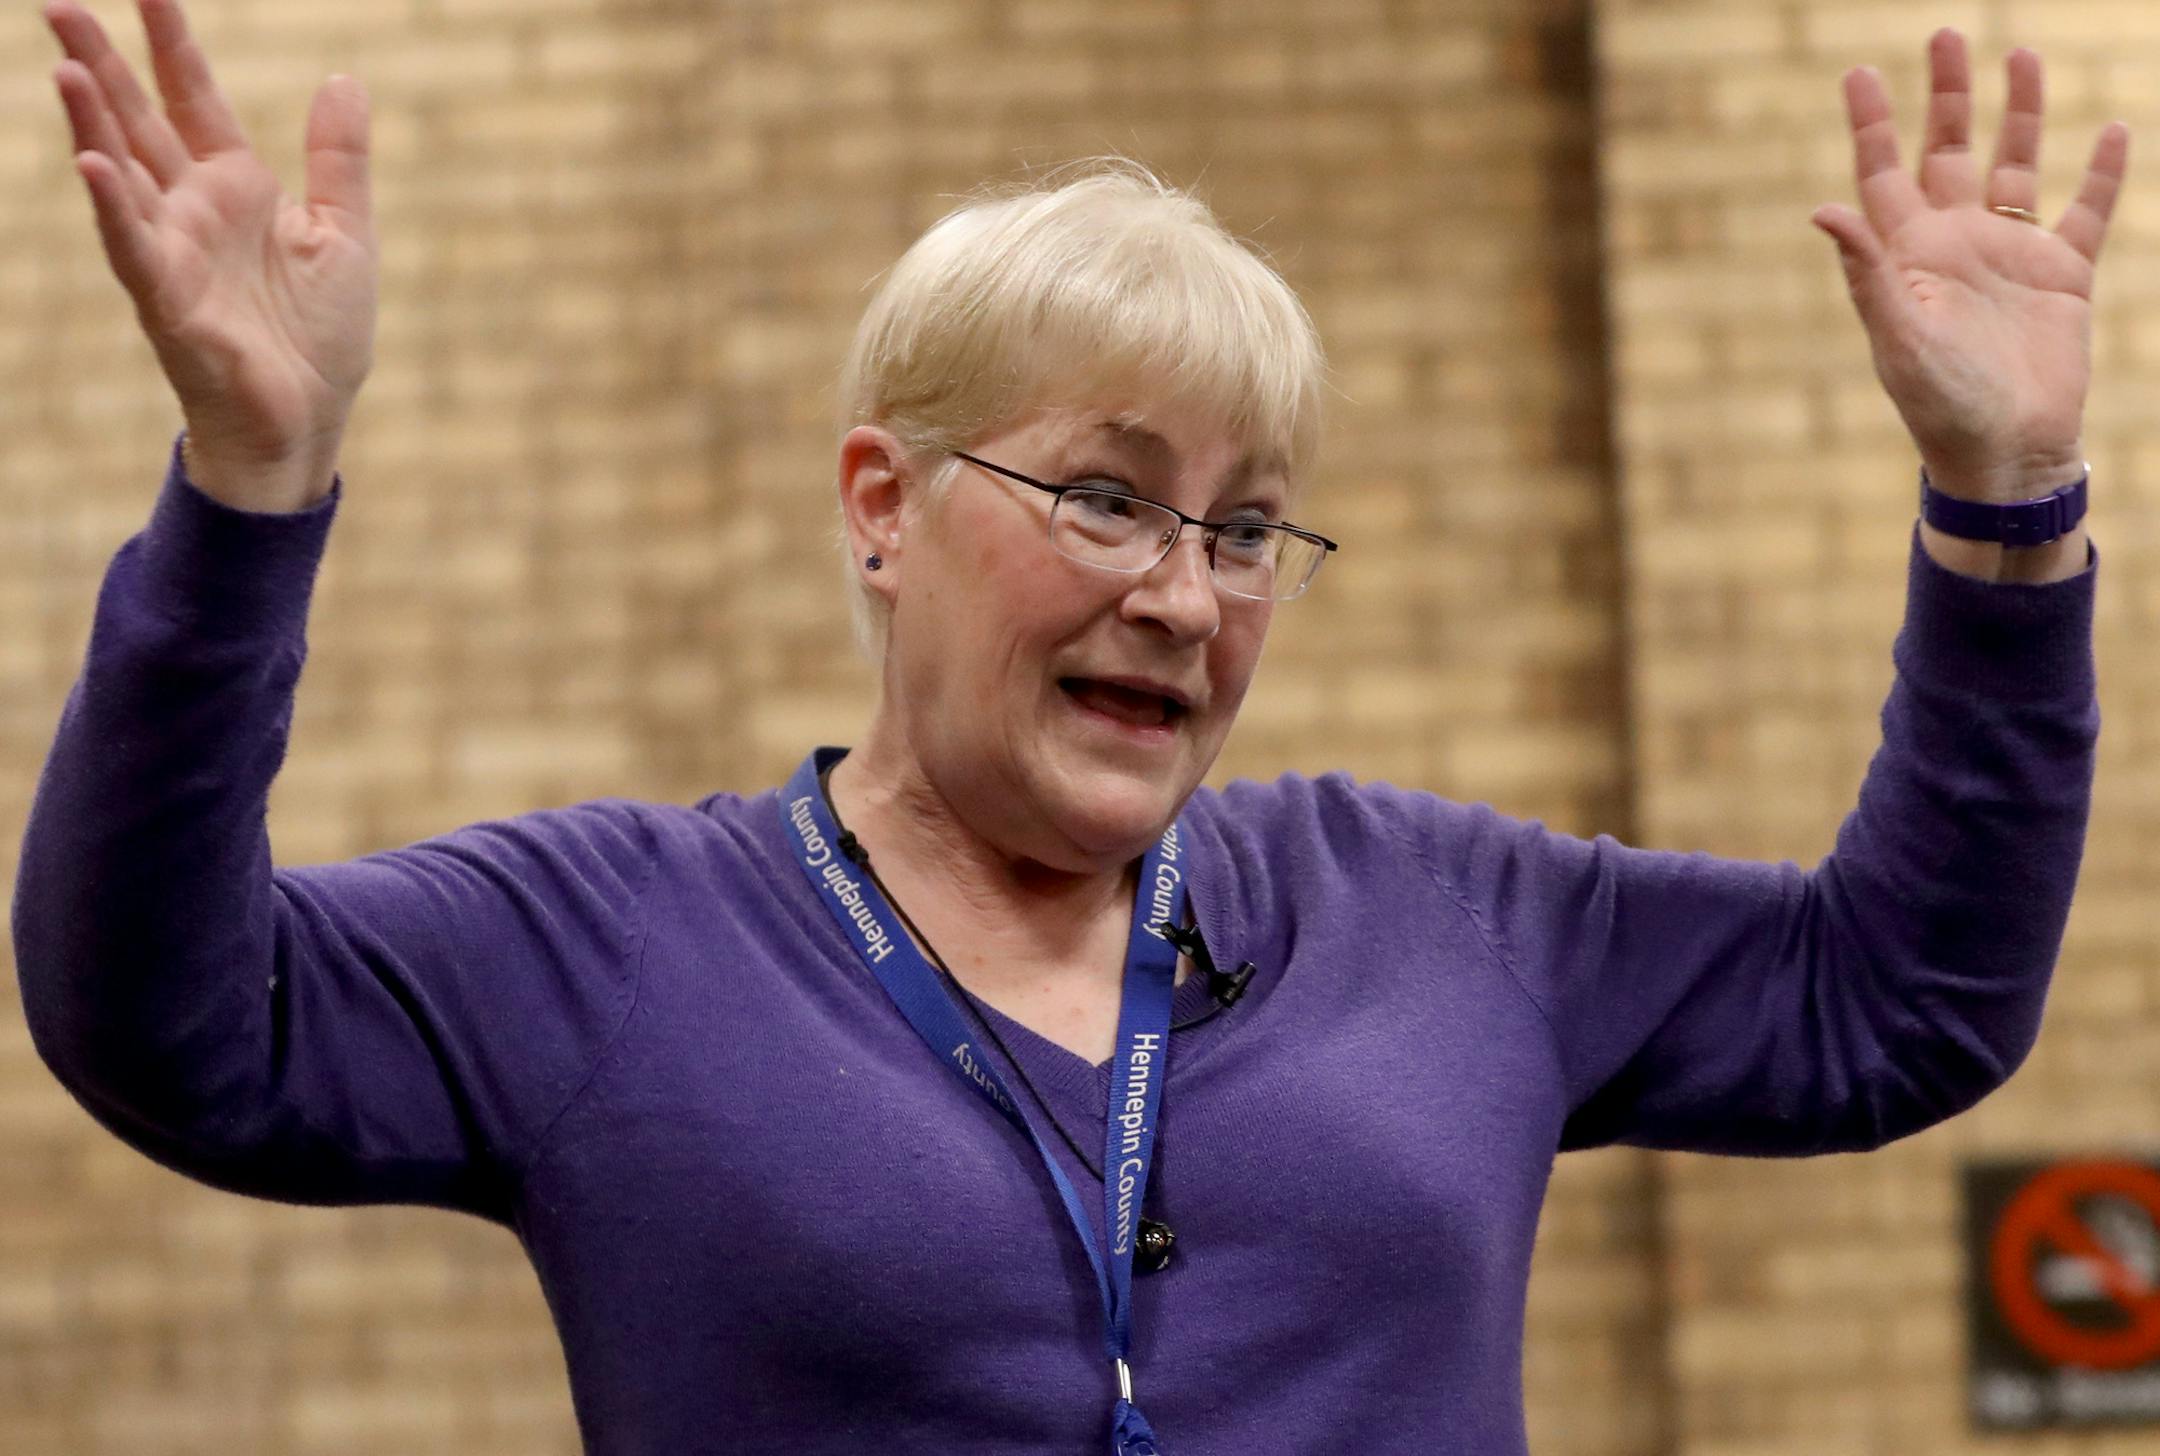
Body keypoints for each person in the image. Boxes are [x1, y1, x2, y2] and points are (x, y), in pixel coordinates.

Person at [13, 2, 2128, 1451]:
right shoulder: (615, 945)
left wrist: (2006, 503)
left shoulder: (1439, 913)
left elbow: (1900, 1000)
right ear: (884, 504)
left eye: (1246, 528)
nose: (1185, 594)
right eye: (1106, 499)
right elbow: (168, 1018)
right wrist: (249, 487)